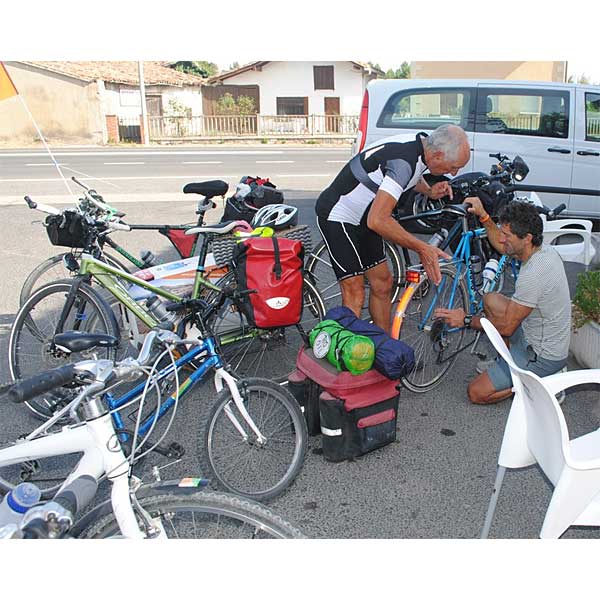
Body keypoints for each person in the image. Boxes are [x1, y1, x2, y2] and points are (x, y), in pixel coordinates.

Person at [315, 124, 471, 331]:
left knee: (383, 283)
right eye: (453, 167)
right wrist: (423, 248)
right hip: (339, 214)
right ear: (438, 155)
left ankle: (384, 346)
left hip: (365, 216)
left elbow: (406, 177)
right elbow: (378, 220)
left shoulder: (422, 145)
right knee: (355, 291)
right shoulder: (404, 159)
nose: (454, 173)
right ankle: (346, 354)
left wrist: (429, 191)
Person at [434, 198, 571, 405]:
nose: (503, 240)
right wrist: (484, 216)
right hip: (534, 330)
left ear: (526, 238)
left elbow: (507, 327)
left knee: (477, 393)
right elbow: (500, 241)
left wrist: (465, 319)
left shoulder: (534, 273)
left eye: (507, 235)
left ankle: (542, 383)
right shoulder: (542, 250)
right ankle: (507, 362)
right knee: (491, 300)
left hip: (542, 353)